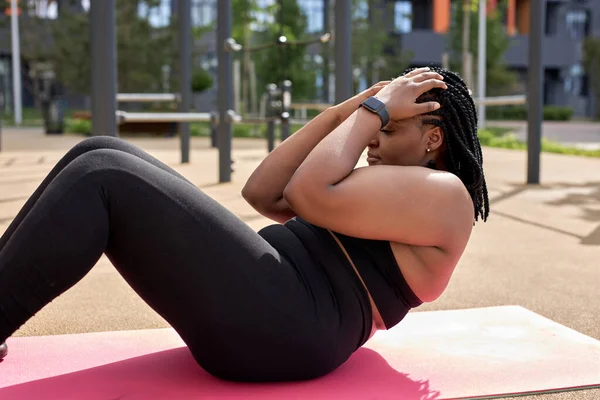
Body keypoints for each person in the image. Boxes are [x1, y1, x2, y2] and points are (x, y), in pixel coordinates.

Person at [0, 67, 488, 381]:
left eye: (390, 128)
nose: (373, 140)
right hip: (272, 306)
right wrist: (348, 112)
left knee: (103, 177)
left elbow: (303, 194)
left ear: (432, 140)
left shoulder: (445, 197)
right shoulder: (391, 188)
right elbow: (266, 193)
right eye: (376, 127)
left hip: (287, 325)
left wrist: (369, 114)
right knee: (99, 151)